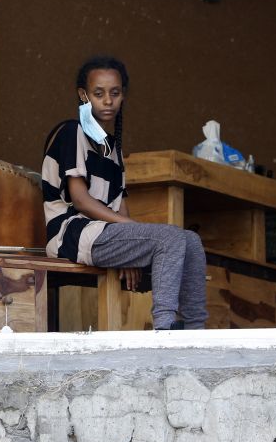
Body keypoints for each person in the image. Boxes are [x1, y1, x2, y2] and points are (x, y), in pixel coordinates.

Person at [41, 55, 207, 330]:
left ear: (123, 96)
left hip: (103, 234)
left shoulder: (112, 149)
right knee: (170, 238)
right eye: (98, 93)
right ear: (83, 95)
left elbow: (120, 205)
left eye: (115, 93)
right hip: (70, 234)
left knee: (191, 241)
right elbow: (81, 200)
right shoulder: (72, 132)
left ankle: (195, 330)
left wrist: (132, 245)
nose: (108, 101)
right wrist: (132, 232)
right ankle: (164, 330)